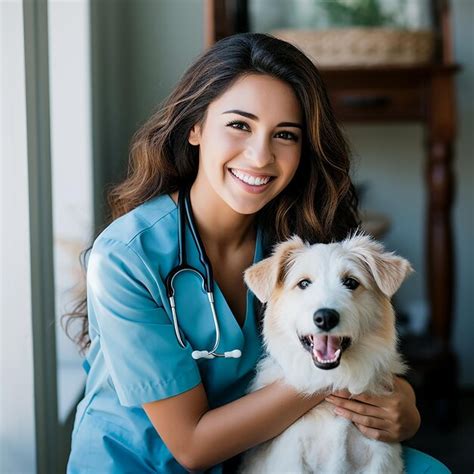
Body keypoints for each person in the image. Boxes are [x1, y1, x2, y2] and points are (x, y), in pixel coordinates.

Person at [65, 33, 449, 473]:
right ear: (195, 126)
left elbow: (351, 340)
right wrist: (344, 377)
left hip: (257, 455)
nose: (260, 155)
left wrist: (401, 403)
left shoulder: (296, 240)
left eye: (285, 134)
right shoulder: (125, 257)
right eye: (240, 125)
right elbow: (192, 446)